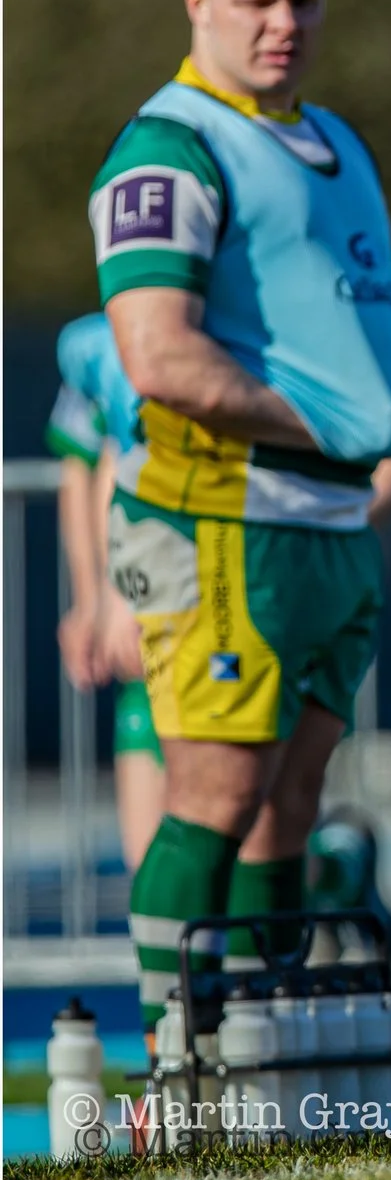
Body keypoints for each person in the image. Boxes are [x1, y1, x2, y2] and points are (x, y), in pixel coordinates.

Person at [93, 0, 391, 1040]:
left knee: (291, 805)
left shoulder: (334, 139)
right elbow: (158, 356)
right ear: (200, 2)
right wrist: (329, 423)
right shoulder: (173, 147)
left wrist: (371, 427)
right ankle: (169, 1060)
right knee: (217, 792)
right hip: (219, 519)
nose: (280, 19)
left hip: (329, 529)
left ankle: (267, 1039)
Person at [51, 312, 159, 873]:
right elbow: (85, 469)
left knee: (260, 840)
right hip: (141, 623)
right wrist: (93, 601)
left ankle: (336, 866)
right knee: (149, 865)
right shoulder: (95, 344)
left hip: (219, 604)